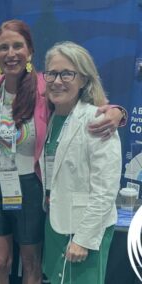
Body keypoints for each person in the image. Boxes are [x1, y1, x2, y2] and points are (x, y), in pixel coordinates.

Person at [0, 19, 126, 284]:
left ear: (30, 52)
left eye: (18, 46)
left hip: (30, 186)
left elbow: (84, 100)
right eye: (3, 47)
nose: (11, 53)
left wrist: (117, 112)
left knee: (31, 261)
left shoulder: (46, 86)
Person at [40, 41, 121, 284]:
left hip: (85, 229)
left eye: (67, 73)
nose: (57, 80)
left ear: (84, 80)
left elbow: (105, 190)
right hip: (56, 223)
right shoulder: (52, 117)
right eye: (52, 73)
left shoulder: (97, 118)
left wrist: (83, 239)